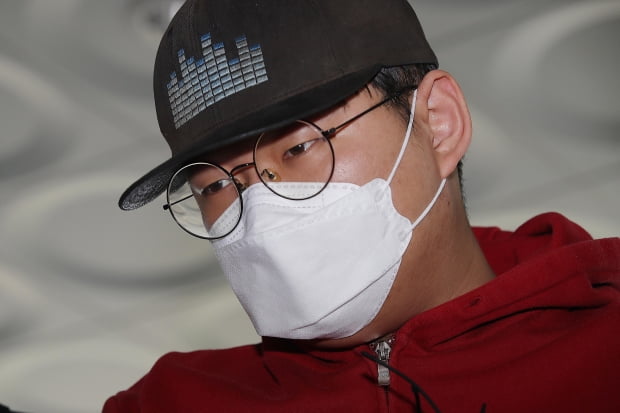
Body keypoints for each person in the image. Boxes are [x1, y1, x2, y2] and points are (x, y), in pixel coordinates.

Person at [103, 0, 620, 411]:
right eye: (215, 185)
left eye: (299, 147)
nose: (259, 209)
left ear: (439, 124)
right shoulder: (171, 403)